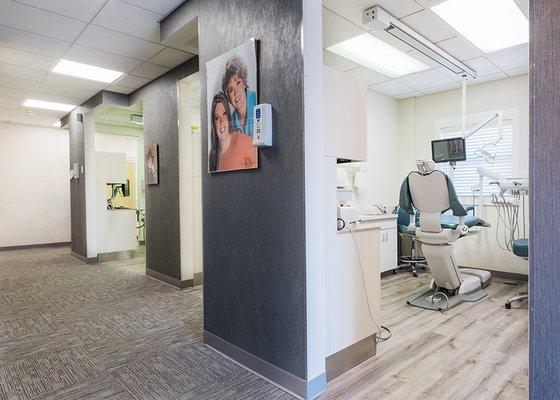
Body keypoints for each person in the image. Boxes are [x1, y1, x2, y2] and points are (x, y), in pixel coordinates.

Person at [208, 92, 257, 172]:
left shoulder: (244, 142)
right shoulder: (213, 156)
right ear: (213, 124)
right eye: (217, 118)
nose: (221, 121)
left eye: (224, 114)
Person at [221, 57, 257, 137]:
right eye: (231, 90)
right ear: (229, 99)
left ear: (244, 83)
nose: (236, 92)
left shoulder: (258, 100)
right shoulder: (231, 122)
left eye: (238, 83)